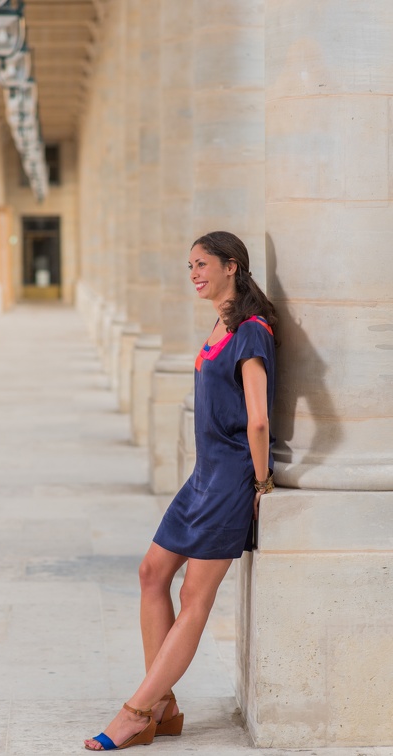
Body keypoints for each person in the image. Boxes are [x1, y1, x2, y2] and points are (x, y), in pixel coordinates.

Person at [84, 230, 277, 751]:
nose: (193, 274)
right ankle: (165, 707)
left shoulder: (253, 332)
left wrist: (261, 483)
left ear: (232, 266)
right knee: (151, 573)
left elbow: (257, 420)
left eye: (202, 265)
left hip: (232, 478)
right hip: (202, 476)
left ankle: (137, 711)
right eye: (189, 266)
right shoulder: (220, 323)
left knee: (194, 594)